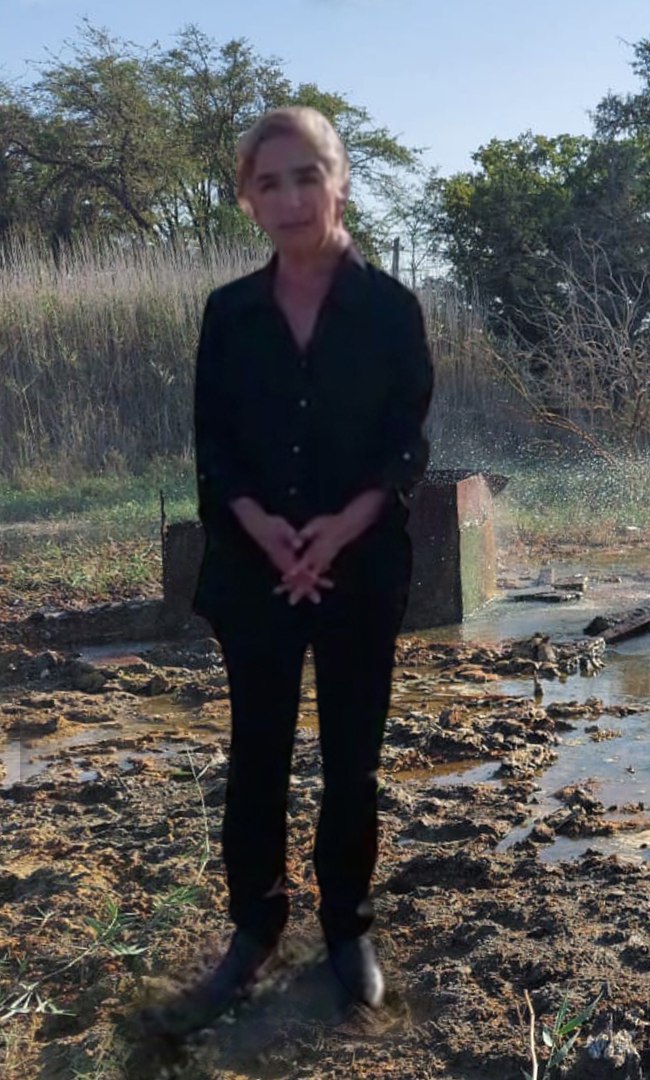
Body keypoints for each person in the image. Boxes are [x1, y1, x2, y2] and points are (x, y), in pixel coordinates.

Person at [178, 105, 432, 1026]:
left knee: (352, 763)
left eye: (307, 175)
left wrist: (336, 529)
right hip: (255, 572)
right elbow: (215, 449)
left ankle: (345, 928)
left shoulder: (392, 310)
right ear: (247, 197)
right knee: (257, 756)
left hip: (360, 568)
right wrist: (265, 528)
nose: (290, 198)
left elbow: (406, 446)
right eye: (268, 181)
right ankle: (254, 928)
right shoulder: (228, 314)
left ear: (341, 180)